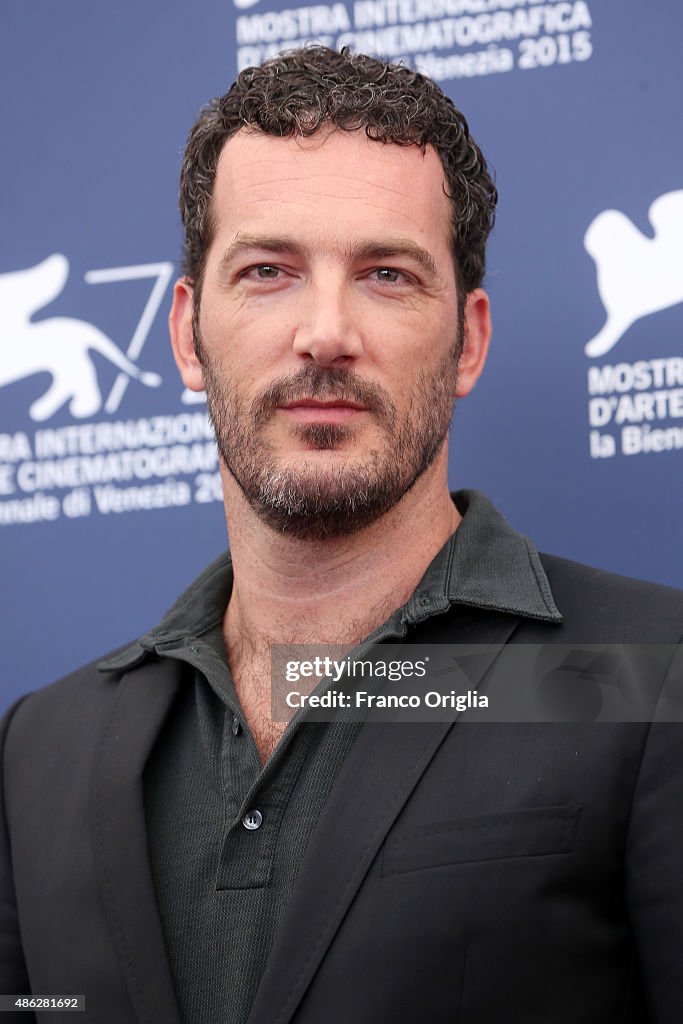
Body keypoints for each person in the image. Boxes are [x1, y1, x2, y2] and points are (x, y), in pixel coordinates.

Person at [1, 45, 682, 1024]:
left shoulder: (643, 676)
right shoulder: (42, 749)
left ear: (468, 341)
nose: (324, 331)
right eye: (268, 270)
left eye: (386, 275)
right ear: (188, 335)